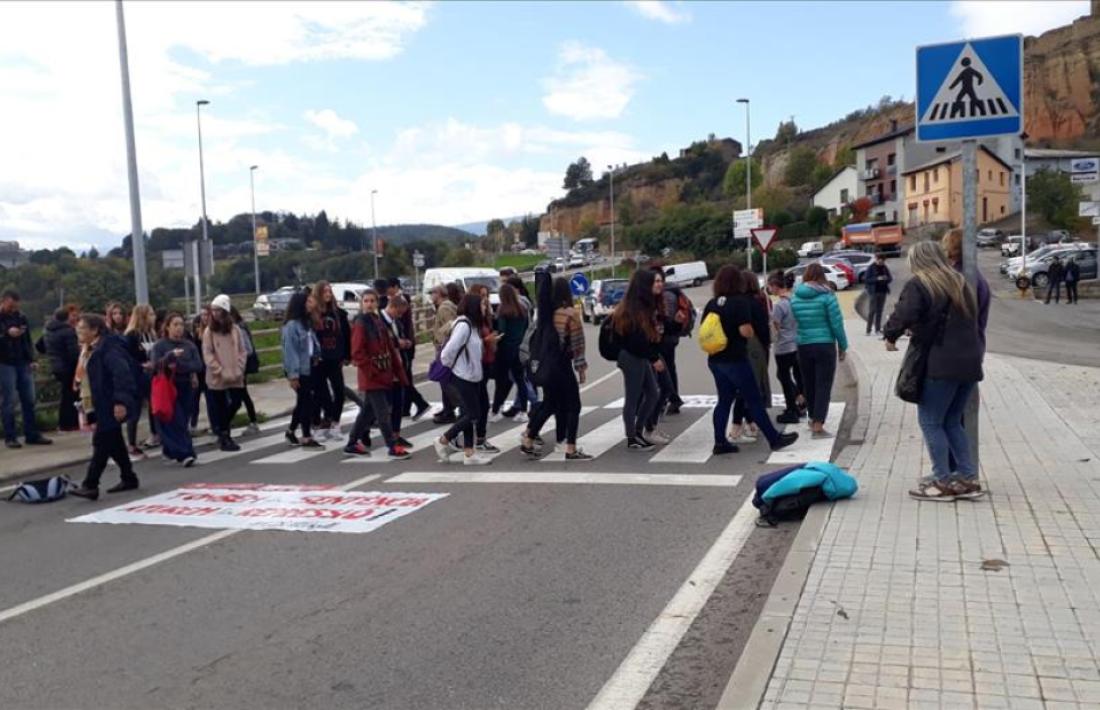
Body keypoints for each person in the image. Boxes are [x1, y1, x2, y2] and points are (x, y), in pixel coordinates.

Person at [883, 240, 984, 501]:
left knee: (931, 422)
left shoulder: (922, 284)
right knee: (952, 421)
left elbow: (905, 312)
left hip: (940, 364)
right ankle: (966, 477)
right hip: (970, 363)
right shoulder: (961, 283)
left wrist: (890, 335)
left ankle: (941, 481)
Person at [704, 266, 799, 455]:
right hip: (736, 359)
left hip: (716, 360)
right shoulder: (739, 302)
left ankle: (720, 442)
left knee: (724, 401)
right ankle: (774, 438)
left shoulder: (712, 303)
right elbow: (745, 331)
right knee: (754, 399)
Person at [69, 314, 139, 500]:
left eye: (83, 328)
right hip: (101, 403)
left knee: (101, 443)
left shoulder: (108, 349)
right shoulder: (90, 349)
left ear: (95, 330)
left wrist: (120, 402)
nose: (79, 331)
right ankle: (129, 477)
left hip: (111, 402)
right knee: (114, 441)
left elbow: (121, 374)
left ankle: (90, 484)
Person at [521, 276, 590, 460]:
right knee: (574, 406)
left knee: (550, 403)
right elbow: (577, 343)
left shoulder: (546, 315)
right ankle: (571, 448)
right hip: (563, 366)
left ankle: (528, 438)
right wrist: (581, 368)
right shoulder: (570, 313)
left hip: (546, 366)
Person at [346, 290, 411, 459]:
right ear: (362, 304)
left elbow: (389, 348)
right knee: (382, 413)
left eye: (372, 301)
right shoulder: (360, 323)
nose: (369, 304)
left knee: (368, 412)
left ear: (376, 303)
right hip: (372, 375)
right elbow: (357, 352)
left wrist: (399, 372)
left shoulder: (377, 322)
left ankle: (352, 442)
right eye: (366, 301)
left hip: (383, 373)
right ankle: (392, 445)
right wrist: (371, 372)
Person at [791, 263, 848, 438]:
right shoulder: (827, 296)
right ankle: (818, 424)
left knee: (809, 383)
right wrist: (843, 345)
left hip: (803, 345)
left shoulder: (796, 297)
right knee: (823, 384)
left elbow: (794, 322)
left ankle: (811, 418)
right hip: (824, 344)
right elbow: (836, 323)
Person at [434, 294, 492, 465]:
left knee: (468, 414)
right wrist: (457, 368)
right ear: (474, 306)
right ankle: (444, 439)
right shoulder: (464, 325)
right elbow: (447, 353)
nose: (485, 307)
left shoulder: (473, 326)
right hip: (463, 377)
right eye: (482, 305)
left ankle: (469, 453)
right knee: (474, 413)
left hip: (473, 376)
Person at [610, 270, 663, 450]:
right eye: (652, 282)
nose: (656, 285)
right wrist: (654, 357)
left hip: (637, 355)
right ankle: (632, 437)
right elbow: (637, 339)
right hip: (632, 356)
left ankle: (638, 431)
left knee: (653, 393)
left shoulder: (636, 305)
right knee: (633, 398)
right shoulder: (636, 308)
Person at [0, 290, 51, 448]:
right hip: (4, 362)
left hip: (22, 361)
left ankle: (32, 434)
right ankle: (10, 436)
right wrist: (6, 333)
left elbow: (27, 340)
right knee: (9, 401)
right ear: (3, 301)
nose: (13, 309)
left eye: (15, 307)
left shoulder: (21, 317)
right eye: (11, 306)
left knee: (29, 399)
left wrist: (31, 358)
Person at [151, 312, 201, 466]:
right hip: (167, 386)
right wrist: (169, 357)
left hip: (186, 385)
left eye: (181, 325)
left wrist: (180, 367)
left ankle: (169, 449)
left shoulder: (189, 345)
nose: (179, 328)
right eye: (175, 325)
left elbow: (198, 365)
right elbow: (156, 365)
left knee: (183, 418)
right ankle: (186, 453)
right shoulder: (160, 345)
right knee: (175, 419)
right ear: (167, 327)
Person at [729, 274, 772, 444]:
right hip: (755, 349)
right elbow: (762, 328)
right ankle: (739, 425)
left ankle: (749, 422)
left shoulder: (734, 302)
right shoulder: (755, 302)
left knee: (742, 387)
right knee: (751, 387)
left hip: (736, 350)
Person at [202, 294, 248, 452]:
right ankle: (225, 436)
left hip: (235, 373)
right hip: (218, 376)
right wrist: (218, 370)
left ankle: (223, 430)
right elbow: (207, 354)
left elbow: (242, 351)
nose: (214, 313)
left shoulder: (235, 330)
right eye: (212, 310)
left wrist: (239, 368)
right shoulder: (209, 332)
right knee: (220, 406)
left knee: (236, 402)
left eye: (218, 310)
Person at [281, 291, 323, 449]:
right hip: (299, 369)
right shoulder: (291, 326)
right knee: (306, 402)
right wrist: (293, 375)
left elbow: (312, 342)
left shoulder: (305, 323)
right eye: (307, 302)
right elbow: (290, 351)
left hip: (310, 365)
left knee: (304, 401)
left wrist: (317, 355)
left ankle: (291, 430)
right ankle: (306, 436)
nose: (310, 304)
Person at [311, 281, 351, 440]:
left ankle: (335, 423)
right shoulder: (313, 314)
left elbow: (346, 335)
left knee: (339, 392)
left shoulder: (339, 314)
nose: (328, 294)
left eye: (329, 291)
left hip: (335, 357)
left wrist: (347, 355)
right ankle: (322, 424)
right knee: (322, 395)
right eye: (324, 291)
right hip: (319, 359)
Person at [389, 278, 430, 421]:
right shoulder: (399, 299)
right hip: (404, 344)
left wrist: (406, 342)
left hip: (405, 345)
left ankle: (419, 403)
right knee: (405, 378)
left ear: (394, 287)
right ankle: (406, 408)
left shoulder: (401, 300)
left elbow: (404, 325)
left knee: (404, 378)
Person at [643, 269, 676, 444]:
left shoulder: (658, 304)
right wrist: (653, 358)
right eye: (656, 281)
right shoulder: (643, 306)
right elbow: (641, 336)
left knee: (665, 388)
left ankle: (651, 426)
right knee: (655, 391)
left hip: (657, 352)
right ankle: (647, 428)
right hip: (648, 355)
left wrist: (676, 322)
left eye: (661, 281)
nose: (660, 284)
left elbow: (665, 328)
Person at [767, 271, 805, 425]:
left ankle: (792, 408)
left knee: (783, 377)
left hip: (783, 346)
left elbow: (775, 327)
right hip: (796, 343)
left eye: (770, 287)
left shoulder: (779, 306)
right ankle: (802, 400)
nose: (769, 290)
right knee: (798, 375)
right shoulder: (795, 300)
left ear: (776, 286)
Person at [490, 283, 530, 423]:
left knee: (501, 382)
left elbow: (502, 331)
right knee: (520, 381)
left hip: (505, 349)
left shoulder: (503, 310)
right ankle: (524, 411)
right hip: (519, 349)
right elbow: (527, 327)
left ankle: (496, 410)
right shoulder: (522, 309)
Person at [123, 304, 158, 459]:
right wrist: (141, 365)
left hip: (151, 376)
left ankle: (155, 434)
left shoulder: (151, 334)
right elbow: (128, 358)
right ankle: (131, 443)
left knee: (154, 406)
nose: (153, 317)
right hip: (137, 377)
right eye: (150, 314)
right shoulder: (131, 335)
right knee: (135, 411)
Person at [380, 294, 414, 448]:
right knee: (382, 406)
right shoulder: (379, 321)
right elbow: (380, 341)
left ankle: (396, 434)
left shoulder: (396, 322)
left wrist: (405, 343)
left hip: (399, 366)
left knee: (398, 403)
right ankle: (362, 433)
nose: (399, 316)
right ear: (393, 307)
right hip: (385, 368)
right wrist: (397, 343)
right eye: (399, 313)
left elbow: (401, 337)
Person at [655, 265, 688, 415]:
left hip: (665, 338)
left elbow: (666, 319)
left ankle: (670, 399)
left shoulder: (665, 295)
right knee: (668, 368)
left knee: (664, 370)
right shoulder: (672, 292)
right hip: (671, 337)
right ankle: (671, 399)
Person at [42, 306, 81, 431]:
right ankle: (71, 423)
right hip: (68, 367)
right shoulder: (68, 331)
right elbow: (73, 353)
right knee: (71, 396)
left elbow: (39, 346)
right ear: (67, 317)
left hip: (56, 366)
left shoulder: (48, 331)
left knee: (65, 395)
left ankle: (64, 423)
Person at [430, 283, 461, 424]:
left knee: (445, 380)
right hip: (446, 348)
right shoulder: (447, 306)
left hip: (445, 349)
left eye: (432, 293)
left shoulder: (444, 308)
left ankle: (454, 408)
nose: (431, 296)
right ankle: (448, 408)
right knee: (445, 380)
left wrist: (440, 337)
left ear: (439, 294)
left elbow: (451, 325)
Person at [230, 307, 261, 435]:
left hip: (241, 367)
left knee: (241, 395)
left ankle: (252, 421)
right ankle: (252, 421)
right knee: (242, 394)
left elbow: (247, 349)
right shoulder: (238, 327)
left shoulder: (239, 328)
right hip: (239, 366)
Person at [863, 253, 892, 335]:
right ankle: (868, 330)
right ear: (876, 259)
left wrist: (886, 278)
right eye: (879, 260)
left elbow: (890, 278)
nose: (881, 262)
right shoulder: (871, 267)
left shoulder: (884, 268)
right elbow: (866, 279)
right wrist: (877, 279)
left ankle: (877, 329)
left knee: (880, 311)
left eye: (882, 261)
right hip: (873, 292)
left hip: (883, 291)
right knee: (872, 311)